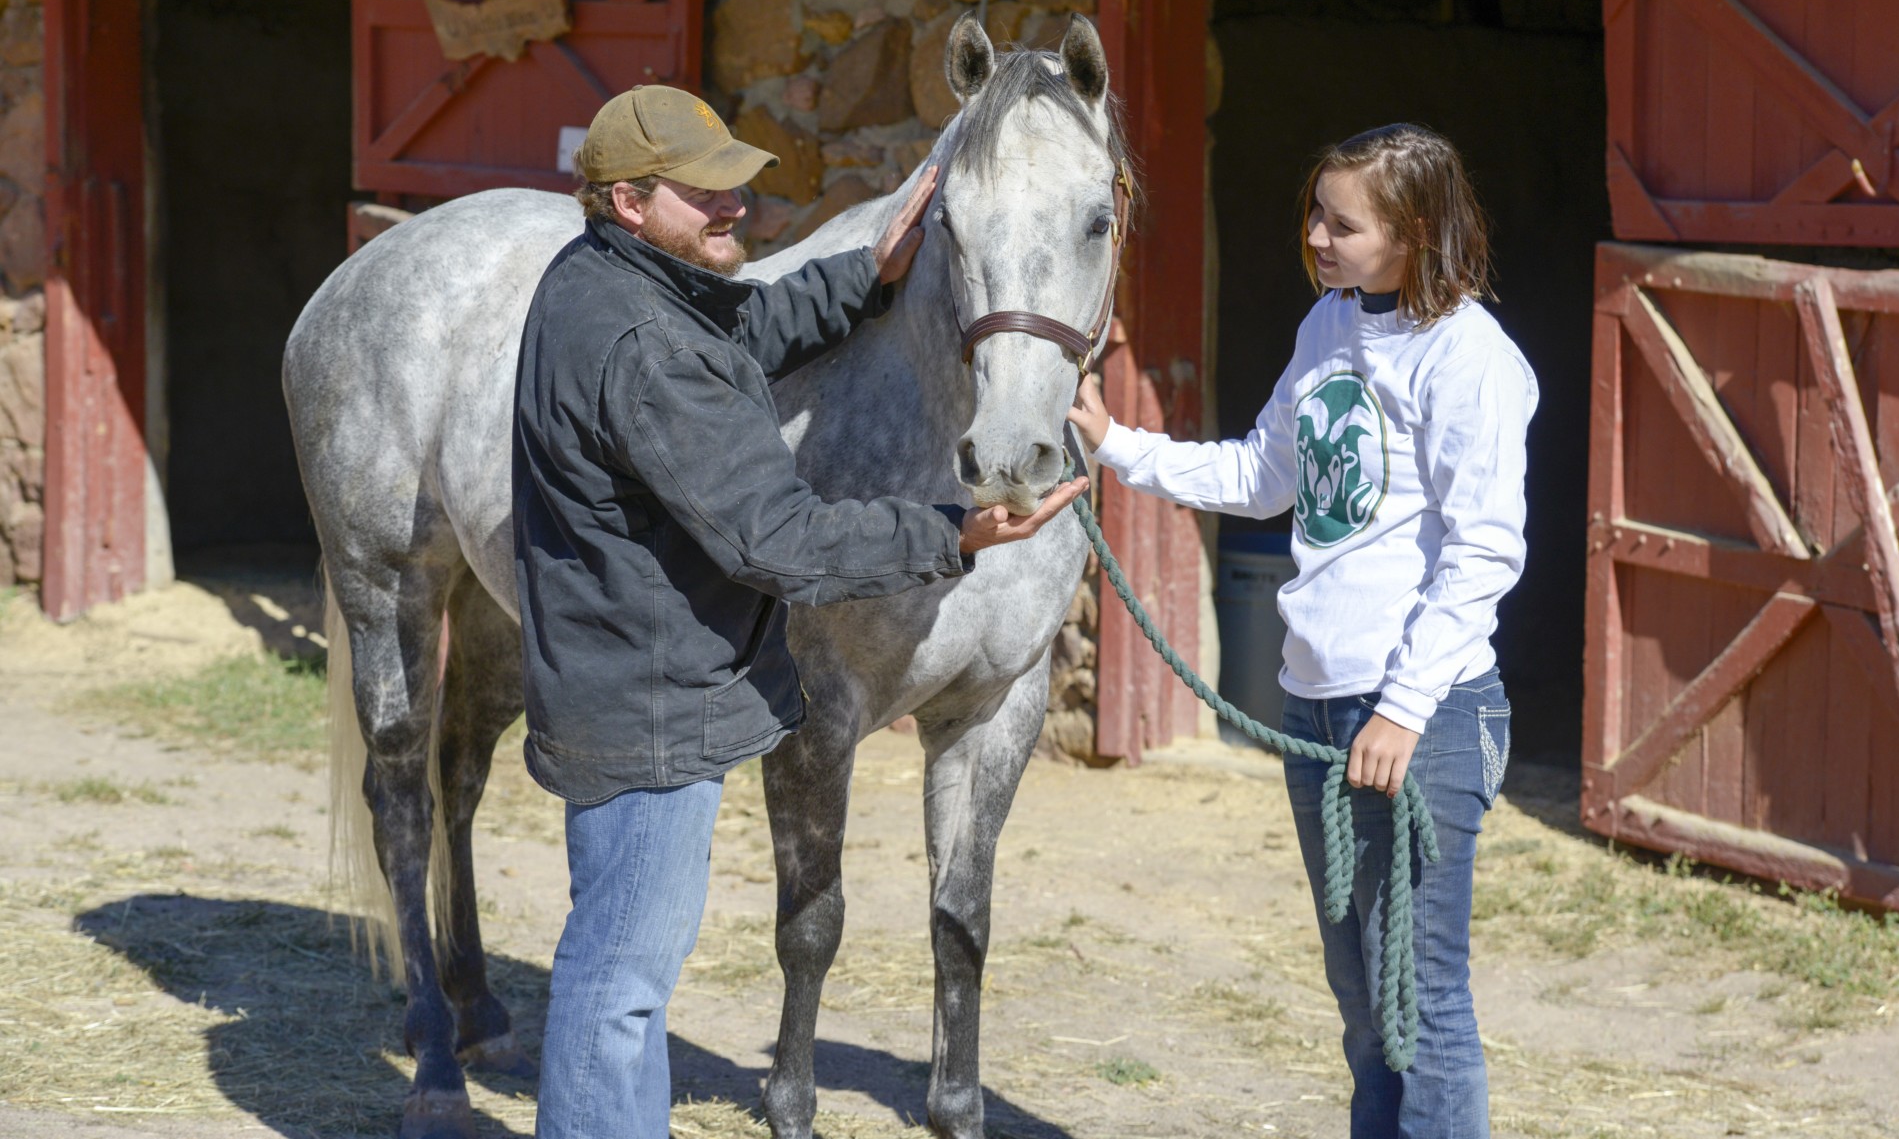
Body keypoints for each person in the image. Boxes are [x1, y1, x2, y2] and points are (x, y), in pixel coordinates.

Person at [512, 84, 1087, 1137]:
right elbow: (778, 539)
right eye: (710, 194)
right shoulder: (648, 350)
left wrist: (866, 273)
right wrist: (950, 535)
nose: (738, 208)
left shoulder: (603, 278)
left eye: (737, 189)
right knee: (621, 983)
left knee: (624, 976)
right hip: (649, 702)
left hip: (618, 675)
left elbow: (744, 329)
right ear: (632, 201)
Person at [1069, 123, 1535, 1137]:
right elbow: (1263, 475)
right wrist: (1116, 448)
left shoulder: (1468, 356)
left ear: (1414, 231)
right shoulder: (1329, 327)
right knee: (1364, 1007)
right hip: (1319, 707)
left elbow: (1486, 550)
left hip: (1418, 714)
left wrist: (1405, 710)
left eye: (1342, 221)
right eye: (1314, 214)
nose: (1316, 236)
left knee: (1424, 1003)